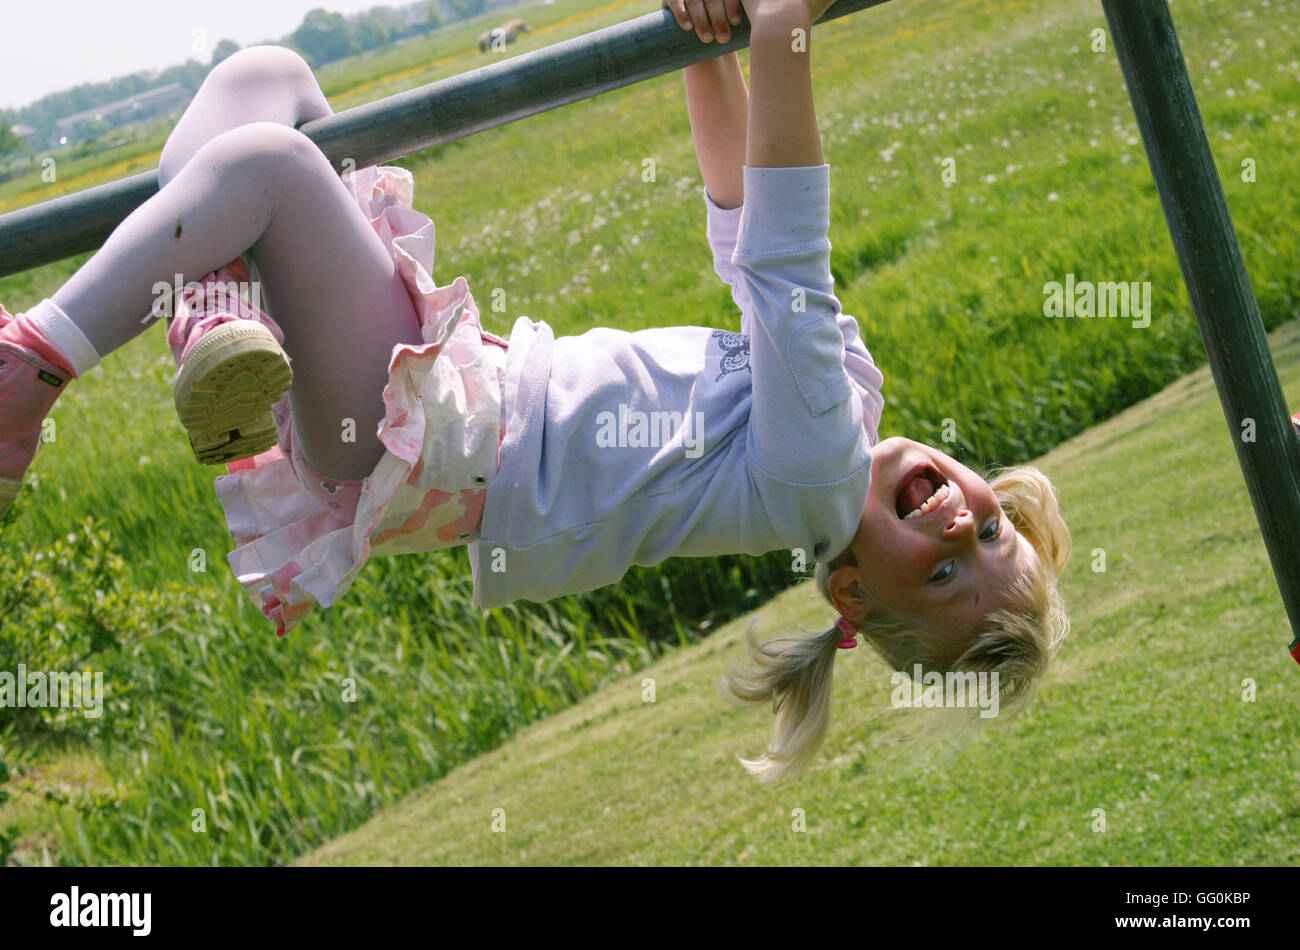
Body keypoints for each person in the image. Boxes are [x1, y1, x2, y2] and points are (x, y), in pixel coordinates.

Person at [0, 0, 1070, 783]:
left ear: (850, 596)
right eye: (988, 531)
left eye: (938, 568)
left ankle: (26, 370)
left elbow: (790, 256)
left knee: (273, 168)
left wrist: (783, 25)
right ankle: (210, 314)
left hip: (439, 436)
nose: (954, 520)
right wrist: (707, 44)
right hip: (438, 412)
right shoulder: (850, 407)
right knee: (266, 83)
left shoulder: (815, 482)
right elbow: (745, 234)